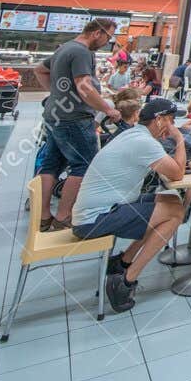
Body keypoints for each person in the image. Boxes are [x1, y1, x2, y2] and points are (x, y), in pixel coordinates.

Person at [71, 97, 191, 313]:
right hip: (94, 220)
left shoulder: (133, 135)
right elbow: (176, 173)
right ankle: (126, 280)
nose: (171, 126)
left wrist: (187, 164)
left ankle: (122, 261)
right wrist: (179, 138)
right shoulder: (144, 142)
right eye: (170, 120)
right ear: (159, 120)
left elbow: (170, 168)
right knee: (175, 211)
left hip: (95, 212)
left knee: (169, 200)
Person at [34, 18, 122, 230]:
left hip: (55, 115)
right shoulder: (81, 52)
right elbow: (84, 88)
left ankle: (44, 215)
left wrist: (57, 93)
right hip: (74, 118)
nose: (107, 42)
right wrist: (108, 109)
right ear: (96, 33)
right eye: (108, 37)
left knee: (51, 165)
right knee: (84, 165)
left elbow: (39, 70)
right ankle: (64, 216)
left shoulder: (65, 48)